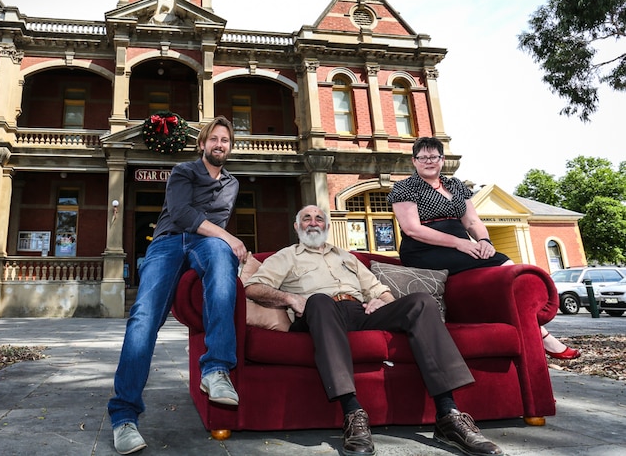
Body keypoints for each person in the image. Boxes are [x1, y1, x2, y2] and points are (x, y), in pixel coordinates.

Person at [244, 205, 503, 456]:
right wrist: (290, 299)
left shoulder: (347, 257)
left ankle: (448, 415)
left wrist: (382, 300)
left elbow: (379, 290)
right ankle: (353, 414)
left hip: (359, 312)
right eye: (307, 218)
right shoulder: (286, 255)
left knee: (421, 301)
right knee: (320, 300)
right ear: (297, 226)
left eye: (319, 218)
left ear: (327, 225)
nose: (313, 222)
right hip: (317, 315)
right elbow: (253, 288)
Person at [107, 116, 248, 455]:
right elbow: (183, 215)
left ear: (229, 147)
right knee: (144, 317)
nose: (219, 145)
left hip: (205, 244)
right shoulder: (183, 171)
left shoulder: (232, 184)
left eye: (225, 140)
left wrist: (225, 243)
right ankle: (124, 417)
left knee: (221, 259)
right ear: (202, 144)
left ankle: (215, 369)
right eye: (213, 139)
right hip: (169, 241)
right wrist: (229, 238)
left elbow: (213, 229)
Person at [388, 137, 580, 360]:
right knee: (503, 263)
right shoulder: (404, 187)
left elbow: (471, 222)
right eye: (423, 157)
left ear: (442, 159)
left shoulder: (456, 185)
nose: (428, 161)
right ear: (414, 161)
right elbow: (413, 229)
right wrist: (461, 243)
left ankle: (537, 331)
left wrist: (484, 242)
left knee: (501, 264)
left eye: (434, 157)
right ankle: (545, 336)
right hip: (425, 250)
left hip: (462, 249)